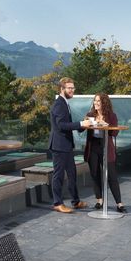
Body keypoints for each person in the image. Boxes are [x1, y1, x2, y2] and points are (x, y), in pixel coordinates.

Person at [49, 77, 93, 213]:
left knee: (72, 174)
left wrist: (82, 125)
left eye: (73, 88)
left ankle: (76, 201)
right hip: (59, 146)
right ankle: (57, 203)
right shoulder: (59, 104)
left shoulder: (65, 102)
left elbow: (67, 125)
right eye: (69, 88)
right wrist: (81, 124)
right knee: (58, 175)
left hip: (66, 145)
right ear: (62, 89)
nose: (72, 90)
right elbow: (61, 125)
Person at [84, 93, 125, 213]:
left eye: (98, 101)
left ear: (104, 103)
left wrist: (105, 125)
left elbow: (115, 133)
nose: (96, 103)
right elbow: (82, 129)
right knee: (95, 174)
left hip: (106, 146)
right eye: (95, 100)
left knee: (112, 175)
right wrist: (85, 123)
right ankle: (99, 200)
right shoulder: (90, 115)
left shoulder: (111, 116)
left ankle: (119, 203)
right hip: (93, 146)